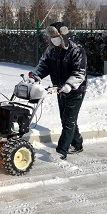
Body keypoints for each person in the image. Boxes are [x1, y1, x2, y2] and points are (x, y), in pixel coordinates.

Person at [29, 21, 87, 160]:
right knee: (67, 119)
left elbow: (79, 72)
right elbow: (44, 65)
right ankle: (77, 143)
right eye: (52, 37)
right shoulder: (51, 50)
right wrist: (35, 76)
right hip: (60, 90)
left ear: (63, 36)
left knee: (68, 122)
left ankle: (61, 151)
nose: (54, 40)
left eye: (56, 37)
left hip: (75, 91)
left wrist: (69, 85)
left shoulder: (76, 50)